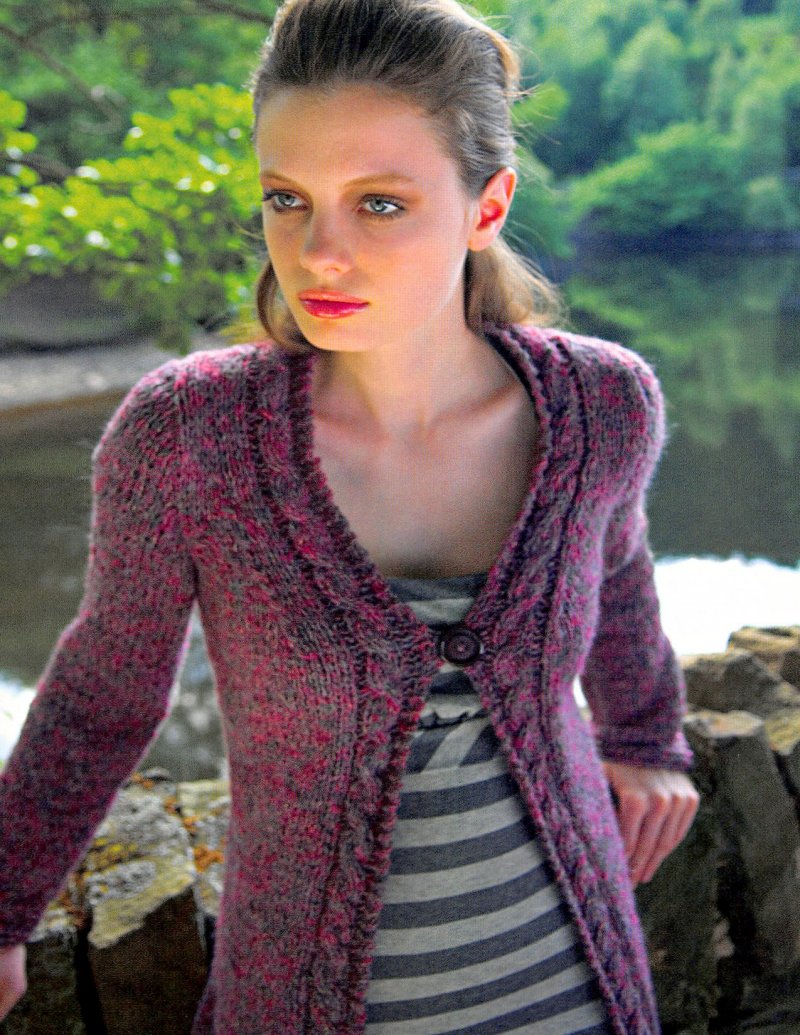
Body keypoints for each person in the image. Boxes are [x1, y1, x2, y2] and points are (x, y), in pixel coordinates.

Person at [0, 0, 699, 1031]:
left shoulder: (600, 404)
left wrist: (644, 733)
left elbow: (619, 571)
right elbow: (106, 689)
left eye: (378, 204)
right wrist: (5, 905)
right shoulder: (189, 436)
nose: (318, 252)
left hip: (577, 988)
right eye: (287, 198)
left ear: (487, 206)